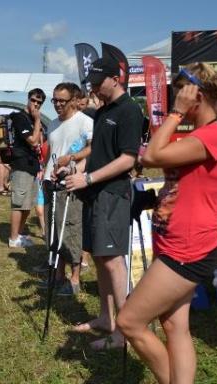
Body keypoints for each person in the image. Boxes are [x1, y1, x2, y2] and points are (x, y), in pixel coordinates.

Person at [114, 63, 217, 384]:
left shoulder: (213, 137)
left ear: (197, 95)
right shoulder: (199, 136)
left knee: (129, 322)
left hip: (187, 249)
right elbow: (186, 185)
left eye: (181, 93)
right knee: (174, 325)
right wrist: (155, 200)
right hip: (175, 243)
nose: (175, 99)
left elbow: (152, 155)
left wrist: (175, 113)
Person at [65, 56, 143, 350]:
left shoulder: (130, 110)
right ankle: (106, 318)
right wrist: (76, 170)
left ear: (115, 79)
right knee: (99, 257)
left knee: (112, 260)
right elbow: (97, 153)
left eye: (99, 83)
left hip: (113, 194)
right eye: (92, 83)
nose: (95, 88)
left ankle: (123, 332)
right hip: (95, 192)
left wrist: (88, 178)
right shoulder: (102, 112)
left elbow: (128, 159)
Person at [42, 82, 93, 296]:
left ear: (74, 100)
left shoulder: (85, 121)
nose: (57, 105)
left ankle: (74, 278)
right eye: (54, 100)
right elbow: (51, 150)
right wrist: (44, 170)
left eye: (62, 101)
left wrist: (71, 158)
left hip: (71, 183)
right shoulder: (53, 123)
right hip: (50, 182)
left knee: (71, 230)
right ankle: (58, 275)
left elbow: (93, 147)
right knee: (53, 231)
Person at [8, 88, 46, 248]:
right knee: (19, 203)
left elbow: (38, 143)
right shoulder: (20, 117)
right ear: (28, 99)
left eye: (39, 102)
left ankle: (18, 234)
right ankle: (13, 238)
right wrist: (37, 121)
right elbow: (33, 140)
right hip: (21, 164)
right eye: (33, 100)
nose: (35, 104)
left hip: (32, 166)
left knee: (27, 204)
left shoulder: (31, 119)